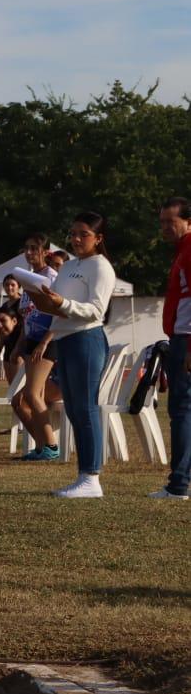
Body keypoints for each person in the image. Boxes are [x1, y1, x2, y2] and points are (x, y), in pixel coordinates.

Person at [25, 212, 115, 498]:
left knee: (85, 408)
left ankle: (91, 477)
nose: (76, 239)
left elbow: (95, 310)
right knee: (75, 409)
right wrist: (42, 300)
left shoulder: (101, 267)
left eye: (83, 234)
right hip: (64, 339)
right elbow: (58, 307)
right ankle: (84, 475)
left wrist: (61, 302)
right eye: (73, 233)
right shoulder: (68, 267)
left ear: (98, 238)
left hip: (86, 339)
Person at [152, 197, 191, 500]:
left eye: (170, 221)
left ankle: (178, 484)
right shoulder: (182, 251)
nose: (165, 227)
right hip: (181, 338)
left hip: (186, 339)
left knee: (182, 411)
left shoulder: (189, 251)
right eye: (162, 221)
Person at [13, 234, 61, 461]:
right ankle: (42, 447)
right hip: (31, 341)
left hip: (46, 342)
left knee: (32, 394)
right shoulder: (29, 278)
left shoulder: (51, 278)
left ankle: (51, 445)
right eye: (27, 248)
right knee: (20, 401)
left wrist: (44, 342)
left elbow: (60, 316)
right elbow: (27, 317)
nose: (29, 253)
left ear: (45, 252)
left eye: (34, 249)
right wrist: (18, 346)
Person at [0, 275, 25, 383]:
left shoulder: (23, 303)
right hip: (8, 348)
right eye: (7, 285)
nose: (9, 288)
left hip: (21, 348)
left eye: (13, 285)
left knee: (19, 388)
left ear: (19, 286)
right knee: (11, 388)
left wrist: (18, 349)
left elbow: (25, 328)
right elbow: (2, 333)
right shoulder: (4, 307)